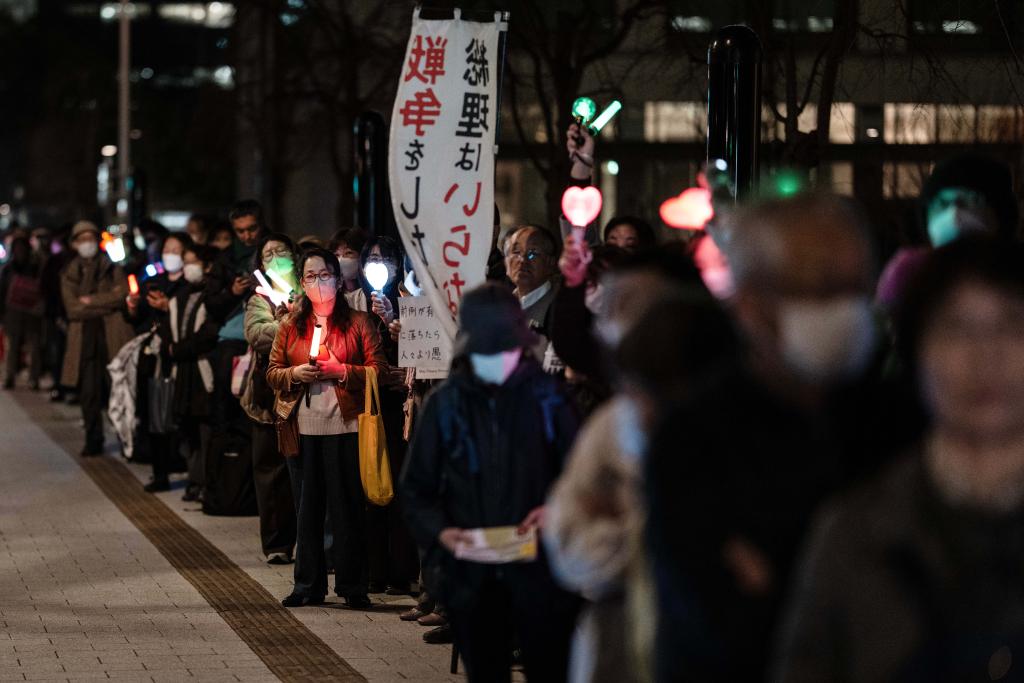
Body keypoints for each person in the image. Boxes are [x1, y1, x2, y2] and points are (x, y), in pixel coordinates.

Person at [644, 194, 925, 682]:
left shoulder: (902, 419)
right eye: (817, 288)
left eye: (853, 287)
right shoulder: (695, 437)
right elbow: (720, 623)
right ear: (750, 304)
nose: (842, 307)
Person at [774, 237, 1024, 682]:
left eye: (1011, 324)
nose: (985, 355)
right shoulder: (854, 534)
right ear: (917, 351)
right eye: (956, 328)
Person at [402, 282, 581, 682]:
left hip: (539, 568)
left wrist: (555, 510)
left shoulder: (549, 399)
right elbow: (416, 488)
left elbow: (580, 479)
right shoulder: (446, 403)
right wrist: (442, 533)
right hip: (470, 572)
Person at [267, 247, 386, 609]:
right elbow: (272, 372)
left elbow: (379, 370)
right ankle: (307, 584)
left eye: (324, 275)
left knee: (347, 508)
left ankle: (353, 585)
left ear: (337, 278)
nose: (318, 282)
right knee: (307, 510)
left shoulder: (359, 322)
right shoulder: (290, 325)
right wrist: (295, 373)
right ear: (301, 283)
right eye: (310, 276)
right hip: (302, 428)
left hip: (346, 425)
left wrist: (342, 371)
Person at [146, 244, 220, 495]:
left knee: (204, 428)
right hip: (182, 371)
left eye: (193, 261)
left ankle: (206, 482)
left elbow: (208, 334)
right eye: (185, 261)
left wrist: (177, 349)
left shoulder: (213, 295)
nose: (189, 267)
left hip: (202, 369)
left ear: (206, 266)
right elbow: (169, 329)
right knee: (187, 428)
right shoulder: (179, 297)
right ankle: (195, 479)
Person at [243, 232, 298, 564]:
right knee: (271, 470)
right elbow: (256, 334)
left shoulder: (307, 288)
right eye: (268, 254)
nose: (276, 258)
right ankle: (277, 543)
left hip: (305, 390)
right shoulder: (259, 298)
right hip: (268, 396)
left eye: (281, 251)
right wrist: (292, 323)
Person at [61, 220, 134, 457]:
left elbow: (121, 295)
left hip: (111, 336)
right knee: (89, 392)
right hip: (84, 340)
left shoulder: (111, 267)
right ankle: (93, 439)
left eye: (90, 238)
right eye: (82, 239)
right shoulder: (70, 271)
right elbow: (72, 308)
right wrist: (106, 303)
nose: (87, 244)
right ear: (74, 244)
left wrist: (90, 301)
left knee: (118, 390)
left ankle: (127, 439)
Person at [0, 236, 44, 389]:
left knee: (33, 345)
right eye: (17, 248)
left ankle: (34, 377)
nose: (20, 251)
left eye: (22, 248)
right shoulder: (9, 268)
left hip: (31, 312)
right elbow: (2, 290)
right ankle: (10, 376)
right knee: (11, 346)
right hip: (12, 312)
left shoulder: (35, 267)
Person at [503, 225, 560, 335]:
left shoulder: (559, 310)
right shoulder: (499, 306)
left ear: (550, 262)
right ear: (506, 262)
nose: (523, 260)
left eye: (533, 253)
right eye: (516, 252)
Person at [328, 227, 369, 310]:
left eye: (348, 253)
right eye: (336, 255)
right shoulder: (332, 295)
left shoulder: (372, 293)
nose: (340, 260)